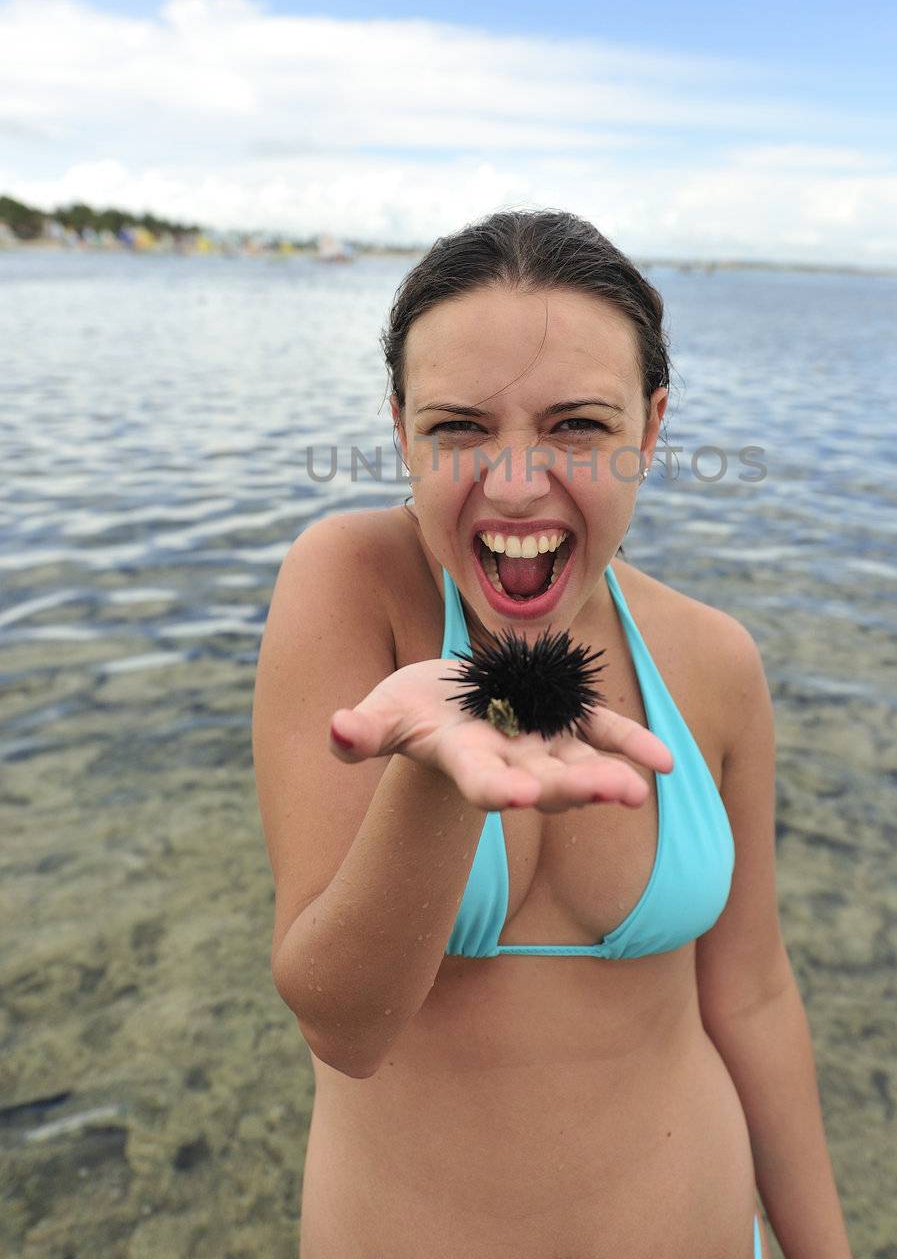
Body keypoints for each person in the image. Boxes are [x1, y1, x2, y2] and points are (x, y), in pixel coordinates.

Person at [252, 209, 853, 1259]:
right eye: (458, 428)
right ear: (399, 430)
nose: (518, 482)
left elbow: (753, 997)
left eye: (577, 425)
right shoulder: (350, 585)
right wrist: (433, 777)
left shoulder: (715, 662)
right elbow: (342, 1027)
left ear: (650, 431)